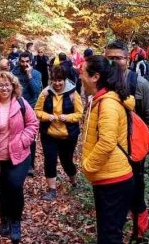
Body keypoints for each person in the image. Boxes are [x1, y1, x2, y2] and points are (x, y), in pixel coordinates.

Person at [104, 40, 149, 240]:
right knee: (110, 195)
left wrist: (143, 149)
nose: (113, 62)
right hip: (107, 151)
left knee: (136, 192)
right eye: (109, 58)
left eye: (118, 58)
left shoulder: (140, 84)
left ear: (127, 60)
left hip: (133, 153)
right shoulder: (100, 82)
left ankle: (139, 231)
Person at [79, 55, 136, 244]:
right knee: (107, 232)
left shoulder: (108, 104)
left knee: (110, 235)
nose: (80, 76)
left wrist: (88, 166)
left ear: (95, 77)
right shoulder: (101, 100)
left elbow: (107, 143)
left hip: (114, 180)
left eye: (83, 72)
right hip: (107, 178)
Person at [0, 71, 39, 243]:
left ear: (13, 86)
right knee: (1, 190)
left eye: (7, 85)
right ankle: (4, 220)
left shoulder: (21, 103)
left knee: (15, 187)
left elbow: (33, 123)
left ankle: (16, 221)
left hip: (20, 155)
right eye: (0, 85)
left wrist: (23, 141)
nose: (4, 88)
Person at [35, 65, 84, 201]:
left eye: (60, 80)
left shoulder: (73, 94)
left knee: (66, 160)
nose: (57, 83)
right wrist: (46, 116)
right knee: (50, 160)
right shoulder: (45, 93)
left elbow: (80, 114)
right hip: (49, 134)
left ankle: (73, 181)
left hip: (68, 135)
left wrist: (67, 117)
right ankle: (52, 189)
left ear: (64, 80)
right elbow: (37, 111)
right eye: (54, 80)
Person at [12, 51, 42, 176]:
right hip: (16, 108)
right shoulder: (14, 73)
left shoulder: (36, 73)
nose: (24, 64)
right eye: (22, 61)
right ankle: (17, 160)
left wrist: (29, 75)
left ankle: (30, 165)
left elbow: (36, 91)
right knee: (15, 134)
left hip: (31, 107)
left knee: (30, 138)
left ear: (31, 61)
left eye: (27, 61)